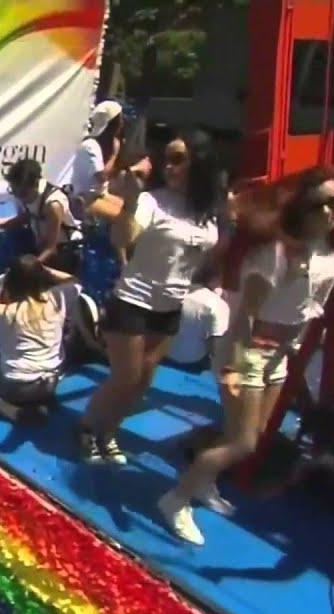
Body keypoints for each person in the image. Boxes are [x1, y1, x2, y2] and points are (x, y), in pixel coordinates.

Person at [165, 165, 334, 545]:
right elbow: (246, 315)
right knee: (243, 443)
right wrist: (238, 368)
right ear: (302, 205)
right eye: (319, 204)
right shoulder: (278, 253)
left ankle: (203, 483)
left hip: (280, 354)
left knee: (254, 434)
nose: (328, 212)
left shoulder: (331, 254)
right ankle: (176, 498)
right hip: (250, 349)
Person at [77, 129, 225, 465]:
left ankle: (109, 432)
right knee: (125, 377)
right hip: (133, 301)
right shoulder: (151, 201)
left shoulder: (207, 209)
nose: (169, 167)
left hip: (170, 307)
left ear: (198, 163)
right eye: (166, 160)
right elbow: (124, 236)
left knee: (143, 381)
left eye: (178, 159)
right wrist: (129, 200)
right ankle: (87, 427)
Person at [0, 255, 80, 423]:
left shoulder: (7, 311)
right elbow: (75, 281)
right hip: (52, 381)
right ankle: (40, 401)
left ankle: (10, 411)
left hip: (19, 387)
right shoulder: (57, 297)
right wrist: (40, 270)